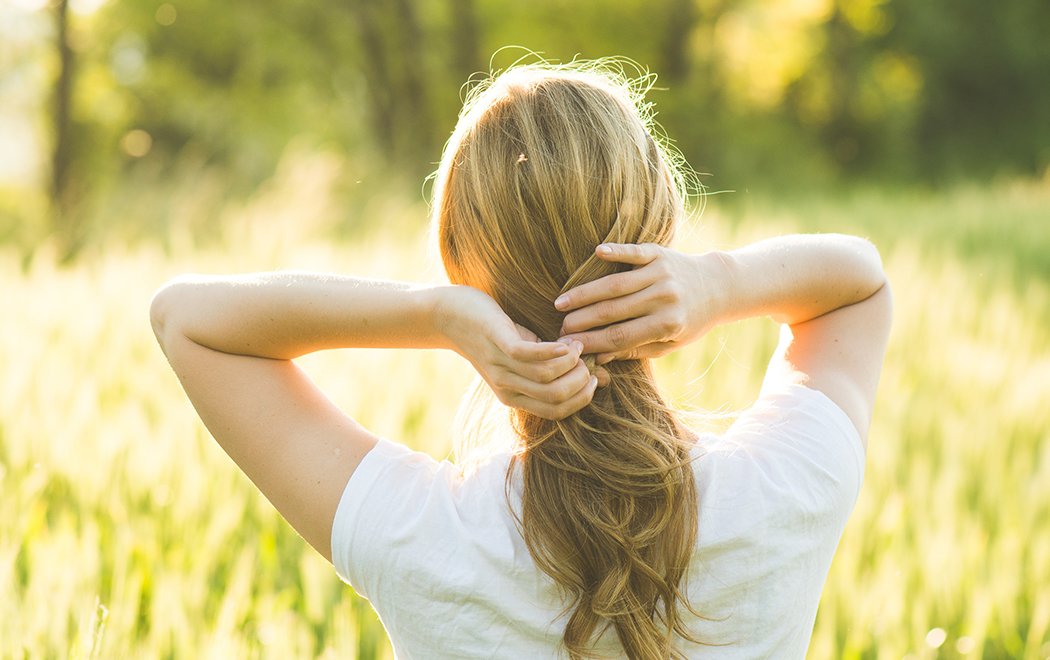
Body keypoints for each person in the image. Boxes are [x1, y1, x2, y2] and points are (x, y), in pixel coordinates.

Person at [150, 62, 892, 659]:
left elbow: (187, 319)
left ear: (462, 270)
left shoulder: (420, 536)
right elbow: (858, 285)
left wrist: (434, 314)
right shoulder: (787, 489)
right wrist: (720, 282)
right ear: (659, 231)